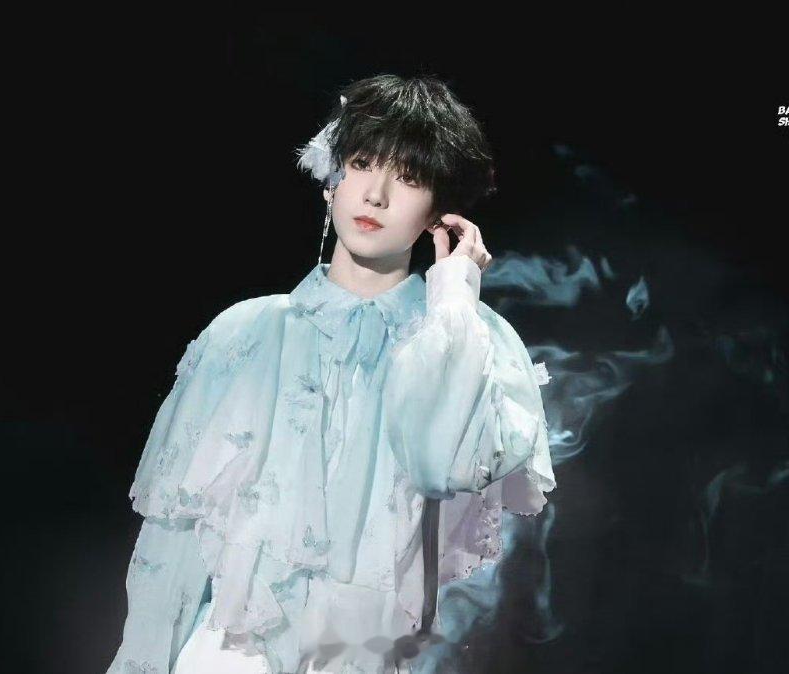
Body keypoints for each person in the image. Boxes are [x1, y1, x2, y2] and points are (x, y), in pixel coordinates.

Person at [106, 74, 556, 674]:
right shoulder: (245, 333)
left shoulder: (470, 339)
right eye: (362, 164)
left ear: (437, 212)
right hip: (226, 655)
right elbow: (172, 544)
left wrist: (455, 293)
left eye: (409, 177)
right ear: (331, 180)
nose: (376, 195)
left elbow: (440, 462)